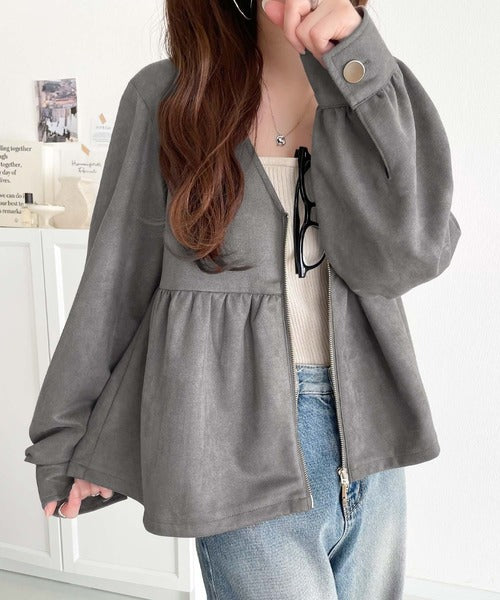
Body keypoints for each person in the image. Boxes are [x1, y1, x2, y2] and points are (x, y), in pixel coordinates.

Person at [24, 1, 461, 598]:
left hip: (372, 435)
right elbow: (115, 282)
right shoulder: (169, 97)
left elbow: (411, 257)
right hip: (229, 440)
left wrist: (357, 63)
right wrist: (68, 438)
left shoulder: (375, 87)